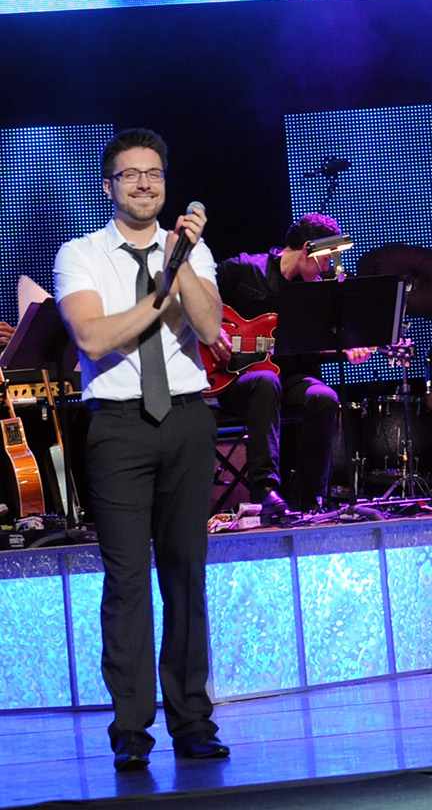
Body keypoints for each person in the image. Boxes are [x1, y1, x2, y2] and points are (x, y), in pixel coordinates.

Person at [54, 128, 230, 769]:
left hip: (186, 417)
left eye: (154, 173)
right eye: (130, 174)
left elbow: (210, 329)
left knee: (185, 576)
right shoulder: (81, 255)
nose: (145, 184)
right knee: (126, 582)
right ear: (109, 185)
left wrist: (181, 262)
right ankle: (131, 729)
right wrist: (161, 298)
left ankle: (193, 721)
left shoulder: (191, 251)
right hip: (118, 425)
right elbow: (95, 338)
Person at [213, 213, 371, 520]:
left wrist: (347, 347)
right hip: (233, 379)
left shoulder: (315, 292)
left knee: (323, 397)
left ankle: (312, 499)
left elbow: (316, 341)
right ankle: (265, 490)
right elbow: (192, 294)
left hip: (287, 376)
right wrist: (209, 328)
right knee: (264, 381)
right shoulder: (244, 269)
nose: (328, 267)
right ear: (307, 249)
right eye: (325, 258)